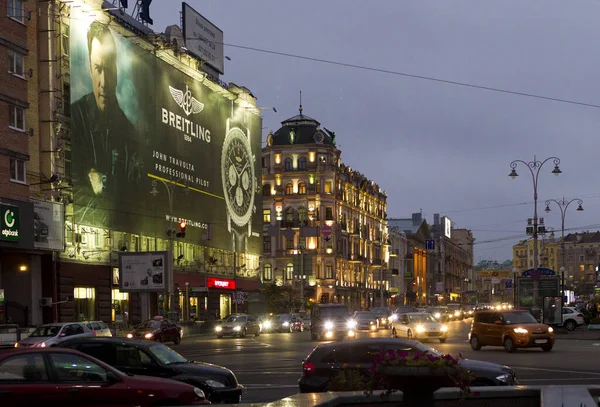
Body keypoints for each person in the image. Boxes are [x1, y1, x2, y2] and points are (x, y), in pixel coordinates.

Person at [71, 21, 143, 226]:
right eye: (98, 68)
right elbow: (73, 188)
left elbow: (136, 199)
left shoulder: (130, 134)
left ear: (117, 71)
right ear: (90, 69)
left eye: (109, 69)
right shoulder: (76, 117)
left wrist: (103, 181)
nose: (104, 81)